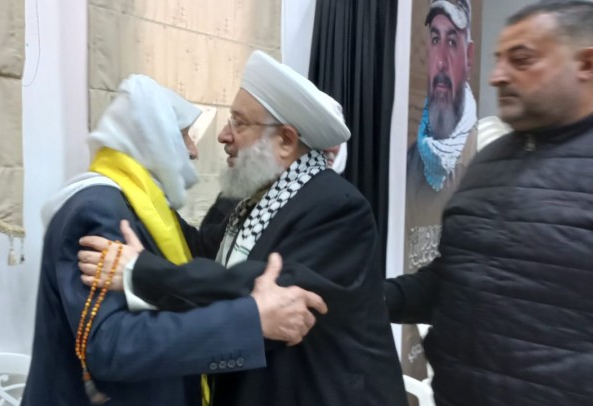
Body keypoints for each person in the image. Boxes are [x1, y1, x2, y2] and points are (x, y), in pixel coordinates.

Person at [80, 51, 407, 406]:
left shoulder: (337, 207)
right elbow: (206, 253)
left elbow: (265, 289)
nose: (223, 135)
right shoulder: (253, 197)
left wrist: (141, 272)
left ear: (286, 140)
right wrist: (142, 188)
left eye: (239, 123)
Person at [22, 74, 327, 406]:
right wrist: (250, 321)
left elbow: (195, 264)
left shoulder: (142, 206)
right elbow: (112, 345)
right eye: (183, 136)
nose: (193, 151)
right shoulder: (99, 209)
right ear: (151, 138)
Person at [385, 1, 593, 404]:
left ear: (585, 64)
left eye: (521, 60)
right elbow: (452, 280)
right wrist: (367, 299)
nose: (497, 76)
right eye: (498, 60)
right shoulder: (487, 162)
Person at [405, 0, 479, 271]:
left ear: (469, 57)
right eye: (435, 40)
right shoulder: (408, 163)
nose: (440, 62)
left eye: (452, 42)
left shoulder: (485, 154)